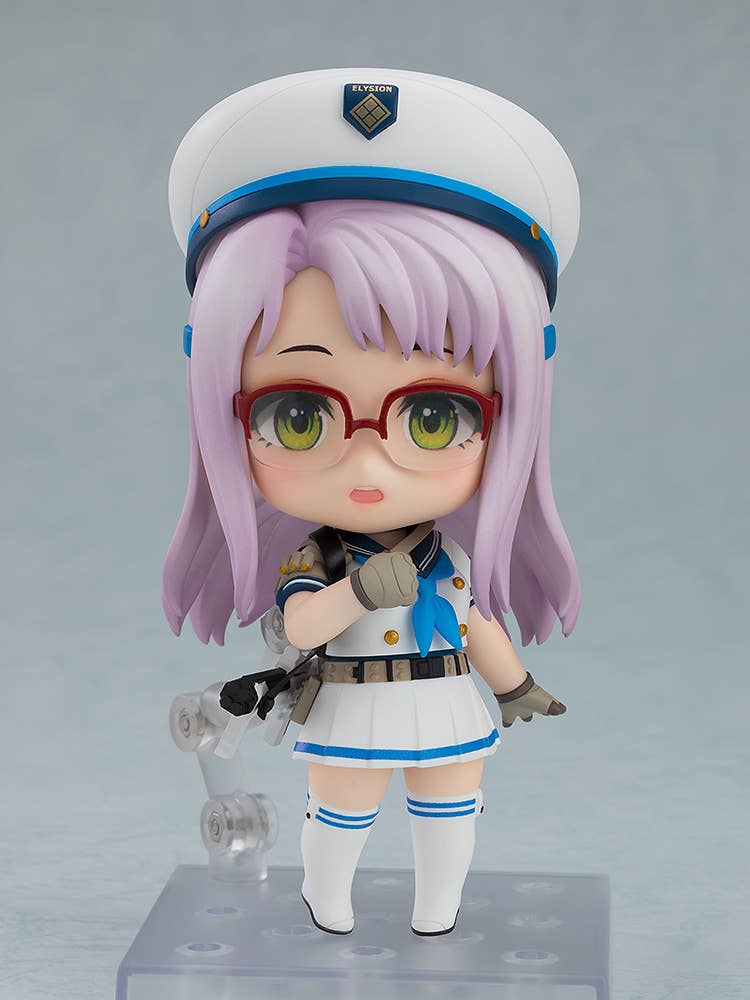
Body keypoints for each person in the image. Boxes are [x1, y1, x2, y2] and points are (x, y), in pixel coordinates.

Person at [163, 69, 581, 937]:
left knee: (450, 805)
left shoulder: (448, 559)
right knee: (341, 807)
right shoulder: (315, 559)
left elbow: (475, 622)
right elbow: (302, 624)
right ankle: (330, 901)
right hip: (352, 699)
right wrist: (357, 591)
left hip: (443, 698)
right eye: (298, 415)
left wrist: (516, 686)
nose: (366, 462)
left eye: (432, 418)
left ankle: (438, 909)